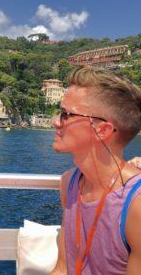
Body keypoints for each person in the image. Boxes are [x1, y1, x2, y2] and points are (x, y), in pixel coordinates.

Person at [51, 66, 141, 275]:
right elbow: (63, 269)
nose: (55, 122)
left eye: (66, 114)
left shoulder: (136, 206)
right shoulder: (69, 183)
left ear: (102, 130)